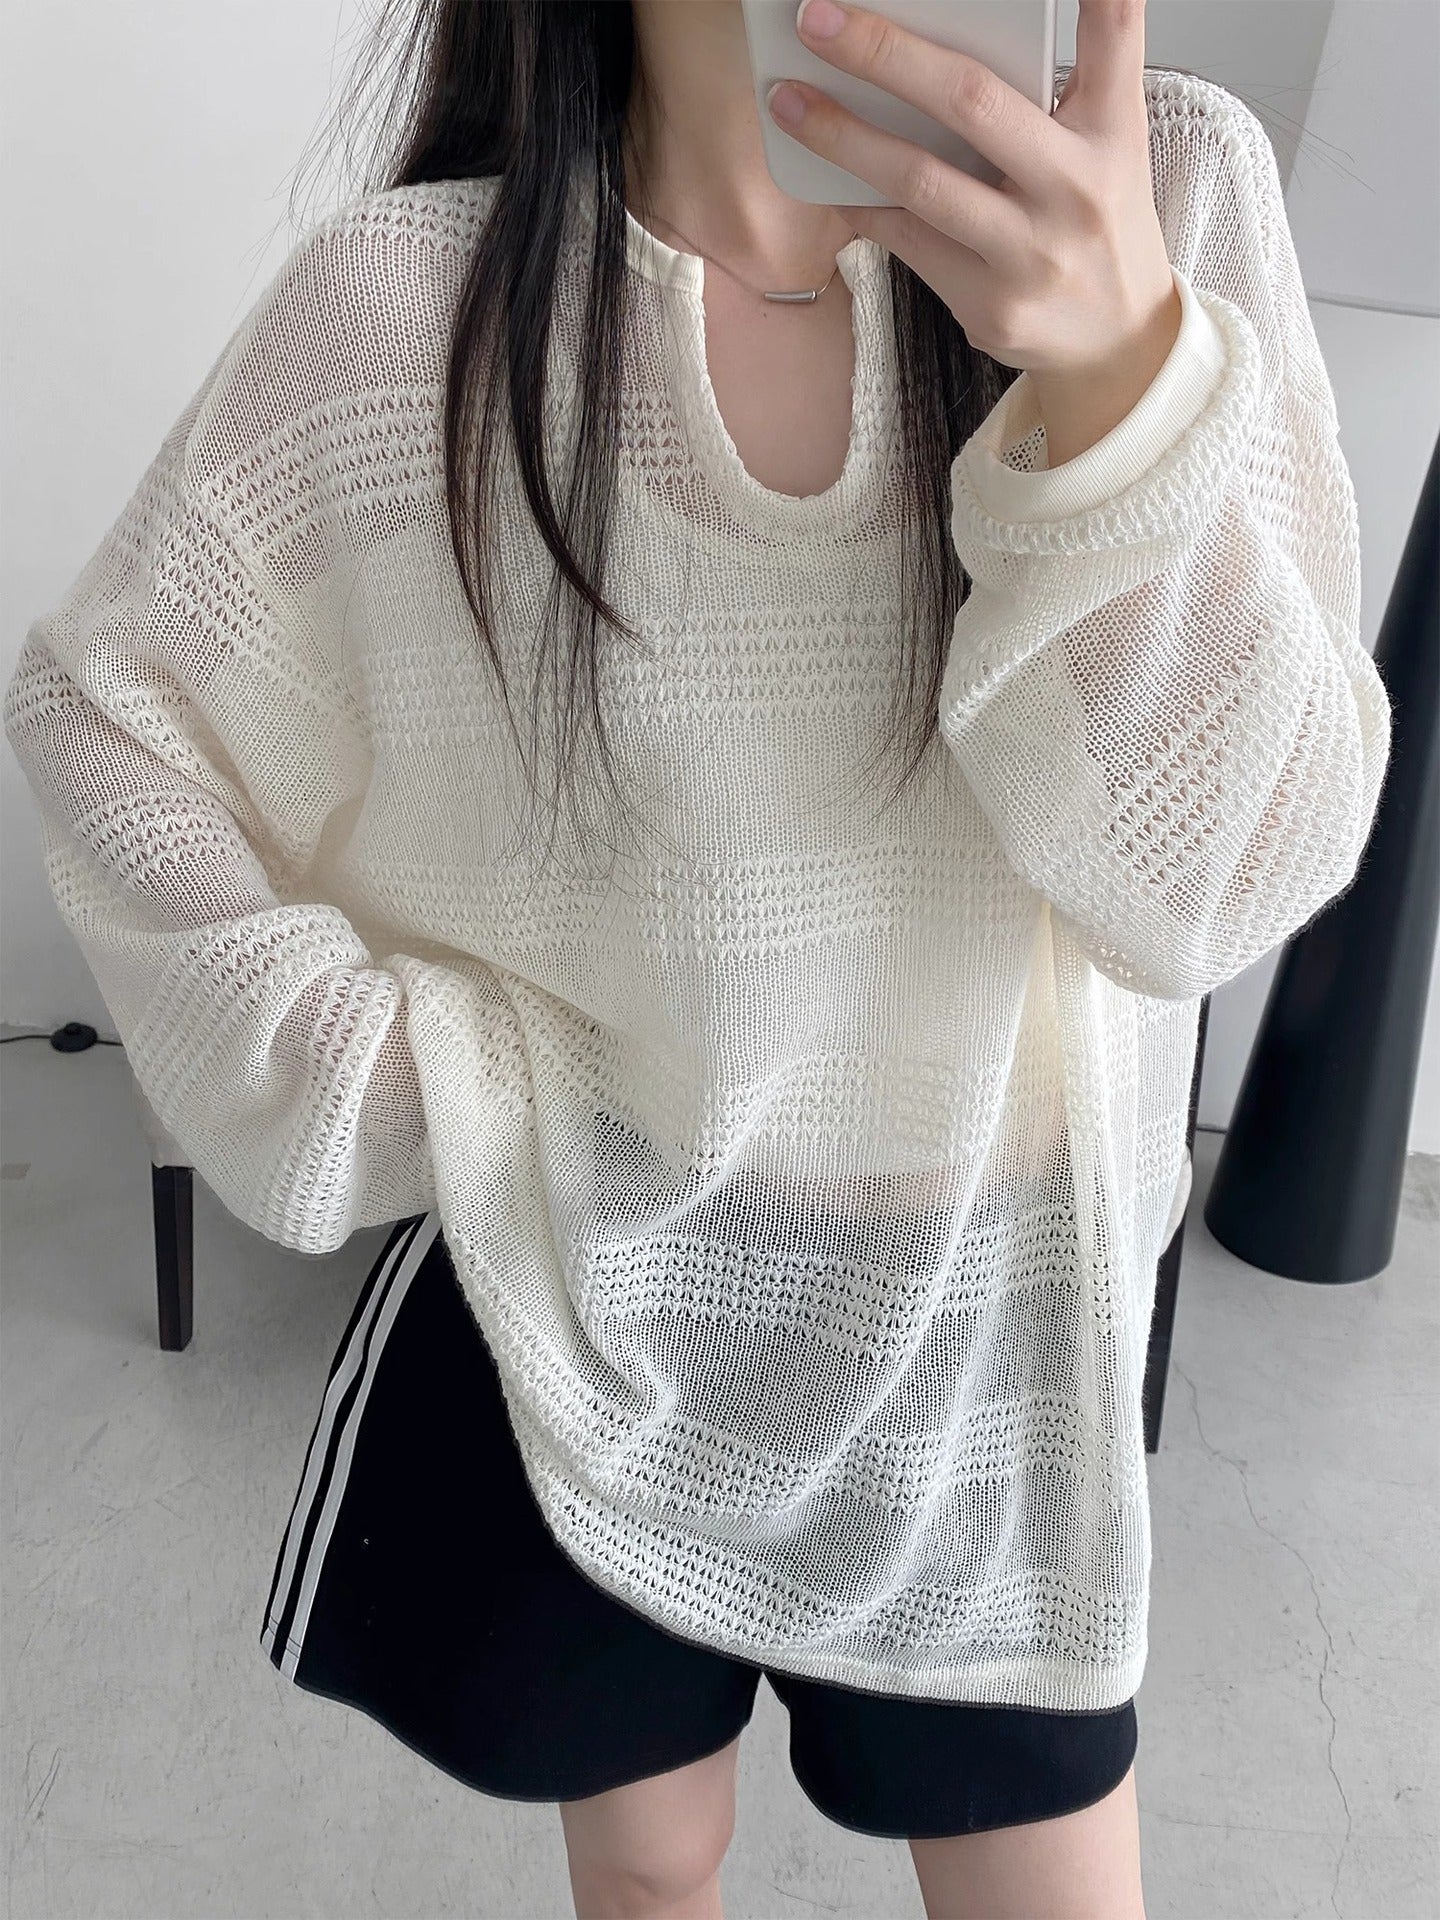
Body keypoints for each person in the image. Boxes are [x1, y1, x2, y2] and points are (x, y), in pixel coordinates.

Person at [4, 3, 1391, 1917]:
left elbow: (1223, 887)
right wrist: (387, 1081)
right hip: (586, 1279)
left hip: (1004, 1315)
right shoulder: (417, 313)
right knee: (655, 1873)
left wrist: (1119, 383)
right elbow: (111, 716)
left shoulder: (1174, 197)